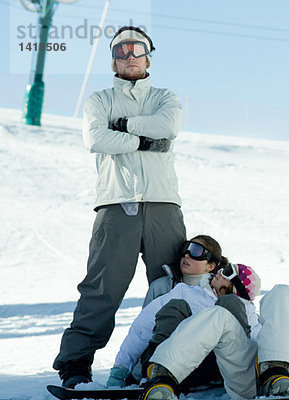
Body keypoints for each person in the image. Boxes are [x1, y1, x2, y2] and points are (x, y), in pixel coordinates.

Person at [53, 25, 186, 388]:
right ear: (113, 59)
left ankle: (165, 362)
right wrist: (145, 142)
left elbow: (168, 125)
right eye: (121, 50)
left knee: (174, 285)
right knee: (102, 287)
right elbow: (95, 138)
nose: (129, 56)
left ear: (148, 55)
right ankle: (75, 365)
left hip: (163, 204)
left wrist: (124, 127)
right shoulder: (99, 100)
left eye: (136, 49)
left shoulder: (165, 97)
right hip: (115, 204)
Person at [140, 271, 289, 400]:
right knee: (218, 315)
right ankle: (162, 380)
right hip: (253, 377)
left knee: (282, 292)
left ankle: (278, 378)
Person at [106, 257, 261, 393]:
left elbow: (256, 341)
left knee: (228, 306)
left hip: (219, 368)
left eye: (227, 272)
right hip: (176, 365)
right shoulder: (186, 292)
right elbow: (143, 326)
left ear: (236, 288)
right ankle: (159, 371)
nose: (220, 271)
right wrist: (121, 368)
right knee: (176, 306)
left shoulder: (247, 312)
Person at [142, 234, 226, 307]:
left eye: (196, 252)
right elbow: (144, 322)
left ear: (210, 266)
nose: (186, 255)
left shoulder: (217, 292)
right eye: (186, 249)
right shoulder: (160, 287)